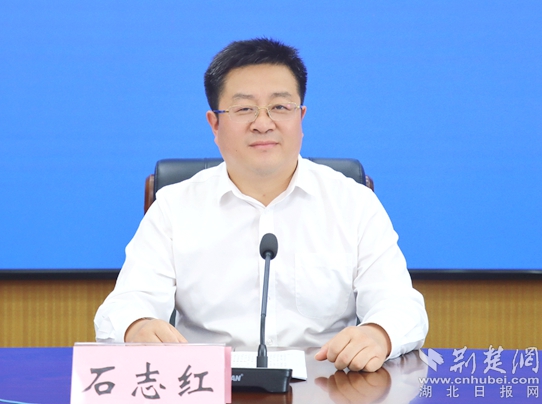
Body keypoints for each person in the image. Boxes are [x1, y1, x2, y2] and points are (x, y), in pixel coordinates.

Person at [94, 38, 428, 372]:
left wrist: (378, 333)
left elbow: (400, 304)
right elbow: (125, 305)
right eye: (244, 109)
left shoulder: (353, 203)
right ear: (214, 124)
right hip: (208, 383)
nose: (263, 123)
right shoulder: (174, 207)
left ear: (301, 117)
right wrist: (137, 326)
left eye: (280, 107)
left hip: (326, 383)